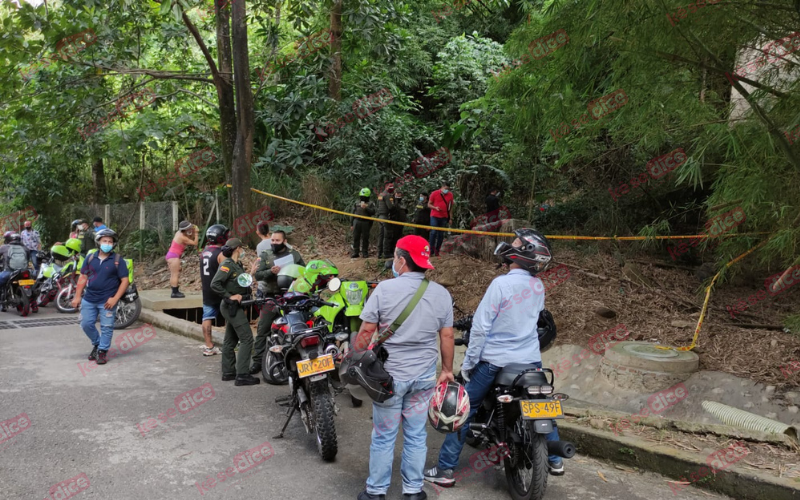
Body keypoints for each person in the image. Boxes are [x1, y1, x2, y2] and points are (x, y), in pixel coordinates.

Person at [424, 229, 565, 488]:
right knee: (541, 400)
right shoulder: (538, 286)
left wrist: (468, 365)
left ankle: (445, 470)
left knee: (463, 410)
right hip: (530, 362)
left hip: (495, 363)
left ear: (521, 253)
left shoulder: (501, 284)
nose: (510, 243)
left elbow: (480, 328)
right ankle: (555, 459)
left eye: (516, 241)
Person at [353, 235, 455, 500]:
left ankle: (376, 492)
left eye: (395, 258)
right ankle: (413, 491)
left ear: (401, 260)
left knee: (385, 436)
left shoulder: (385, 290)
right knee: (416, 435)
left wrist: (357, 357)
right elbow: (446, 336)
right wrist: (446, 369)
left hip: (389, 378)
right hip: (423, 378)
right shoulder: (441, 294)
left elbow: (366, 331)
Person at [71, 229, 130, 365]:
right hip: (89, 298)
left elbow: (125, 281)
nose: (107, 243)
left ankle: (102, 351)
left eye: (110, 241)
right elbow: (83, 277)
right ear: (98, 242)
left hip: (107, 300)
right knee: (86, 324)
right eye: (105, 241)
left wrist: (115, 298)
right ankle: (98, 344)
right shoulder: (90, 258)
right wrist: (77, 296)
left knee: (107, 327)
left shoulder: (117, 260)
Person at [251, 230, 305, 374]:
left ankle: (294, 361)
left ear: (284, 241)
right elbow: (258, 275)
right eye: (272, 240)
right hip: (270, 297)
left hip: (291, 297)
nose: (274, 243)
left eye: (277, 240)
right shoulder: (265, 255)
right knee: (263, 329)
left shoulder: (294, 255)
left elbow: (304, 272)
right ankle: (257, 361)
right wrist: (271, 272)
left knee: (293, 329)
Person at [210, 238, 260, 386]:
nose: (243, 251)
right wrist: (229, 296)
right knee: (247, 338)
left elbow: (241, 284)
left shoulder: (237, 265)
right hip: (230, 306)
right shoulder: (227, 265)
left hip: (235, 306)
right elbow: (215, 284)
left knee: (230, 339)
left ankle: (228, 372)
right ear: (237, 248)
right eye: (242, 248)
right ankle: (242, 374)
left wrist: (251, 273)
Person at [199, 224, 229, 357]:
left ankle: (209, 346)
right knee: (230, 315)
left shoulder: (204, 252)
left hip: (207, 289)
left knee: (207, 317)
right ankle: (231, 343)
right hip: (220, 289)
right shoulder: (221, 254)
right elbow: (227, 272)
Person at [166, 221, 199, 298]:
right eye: (189, 228)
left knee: (173, 274)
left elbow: (188, 237)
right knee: (175, 274)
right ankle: (174, 293)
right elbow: (195, 243)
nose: (191, 228)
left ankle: (175, 290)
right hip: (174, 256)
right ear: (186, 229)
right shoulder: (182, 237)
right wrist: (196, 233)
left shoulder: (179, 233)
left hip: (171, 255)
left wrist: (192, 230)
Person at [0, 232, 29, 312]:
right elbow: (28, 258)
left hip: (9, 272)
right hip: (23, 271)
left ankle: (2, 303)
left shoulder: (4, 247)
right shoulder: (25, 248)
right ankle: (34, 304)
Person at [427, 181, 453, 257]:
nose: (446, 190)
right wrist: (435, 208)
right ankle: (431, 250)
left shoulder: (450, 195)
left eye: (448, 189)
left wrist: (450, 218)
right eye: (445, 188)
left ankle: (437, 251)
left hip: (444, 216)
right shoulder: (434, 193)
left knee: (441, 234)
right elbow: (429, 204)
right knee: (433, 232)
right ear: (442, 187)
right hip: (434, 215)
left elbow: (450, 207)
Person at [351, 188, 376, 258]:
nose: (362, 198)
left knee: (365, 238)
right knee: (356, 237)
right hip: (357, 221)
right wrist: (351, 224)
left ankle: (365, 252)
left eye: (364, 197)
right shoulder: (356, 203)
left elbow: (373, 212)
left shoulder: (371, 203)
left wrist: (366, 208)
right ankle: (356, 252)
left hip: (366, 222)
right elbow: (352, 213)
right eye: (361, 197)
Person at [252, 221, 272, 296]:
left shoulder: (260, 246)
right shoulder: (278, 240)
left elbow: (261, 262)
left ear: (257, 233)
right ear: (269, 231)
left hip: (267, 277)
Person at [376, 183, 395, 259]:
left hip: (380, 216)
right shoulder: (387, 195)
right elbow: (390, 207)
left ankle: (379, 253)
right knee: (386, 235)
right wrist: (394, 204)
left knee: (381, 235)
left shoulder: (381, 194)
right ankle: (386, 252)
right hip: (385, 216)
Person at [386, 190, 407, 256]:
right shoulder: (392, 200)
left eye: (400, 193)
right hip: (394, 221)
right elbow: (392, 208)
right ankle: (391, 250)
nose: (399, 194)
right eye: (397, 193)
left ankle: (398, 250)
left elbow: (405, 210)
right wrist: (396, 200)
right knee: (393, 236)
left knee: (399, 236)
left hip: (401, 221)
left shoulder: (403, 201)